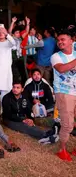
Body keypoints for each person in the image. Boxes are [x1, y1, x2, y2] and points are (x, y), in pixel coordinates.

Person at [50, 30, 76, 161]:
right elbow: (61, 69)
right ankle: (62, 149)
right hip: (64, 92)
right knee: (68, 124)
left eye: (63, 39)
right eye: (58, 40)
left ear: (71, 40)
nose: (60, 42)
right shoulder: (56, 56)